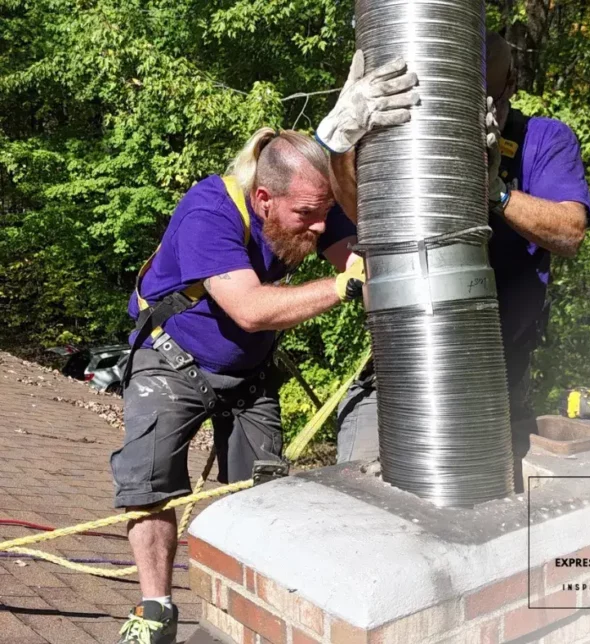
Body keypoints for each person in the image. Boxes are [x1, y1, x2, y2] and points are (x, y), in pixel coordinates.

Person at [112, 54, 418, 644]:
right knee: (149, 485)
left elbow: (359, 259)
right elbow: (251, 309)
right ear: (263, 202)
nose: (314, 230)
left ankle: (246, 609)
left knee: (267, 492)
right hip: (173, 360)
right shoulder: (209, 210)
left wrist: (349, 166)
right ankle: (155, 609)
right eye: (305, 217)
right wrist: (339, 286)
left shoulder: (310, 208)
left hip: (247, 372)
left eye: (320, 216)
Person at [330, 32, 590, 490]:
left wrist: (494, 190)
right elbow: (363, 215)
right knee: (366, 501)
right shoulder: (410, 133)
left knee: (490, 502)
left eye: (481, 91)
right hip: (405, 364)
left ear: (510, 82)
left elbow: (569, 232)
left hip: (499, 375)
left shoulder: (543, 140)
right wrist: (338, 149)